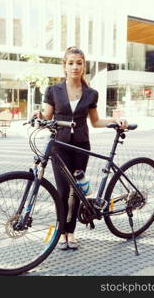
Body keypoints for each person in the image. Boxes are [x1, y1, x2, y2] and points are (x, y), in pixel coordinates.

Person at [34, 46, 128, 250]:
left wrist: (116, 120)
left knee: (76, 190)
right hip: (60, 145)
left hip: (81, 147)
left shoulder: (91, 93)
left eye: (79, 63)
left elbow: (95, 122)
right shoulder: (53, 90)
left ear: (84, 66)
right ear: (64, 66)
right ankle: (61, 232)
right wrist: (38, 117)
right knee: (62, 191)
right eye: (71, 63)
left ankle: (71, 232)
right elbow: (47, 116)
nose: (75, 66)